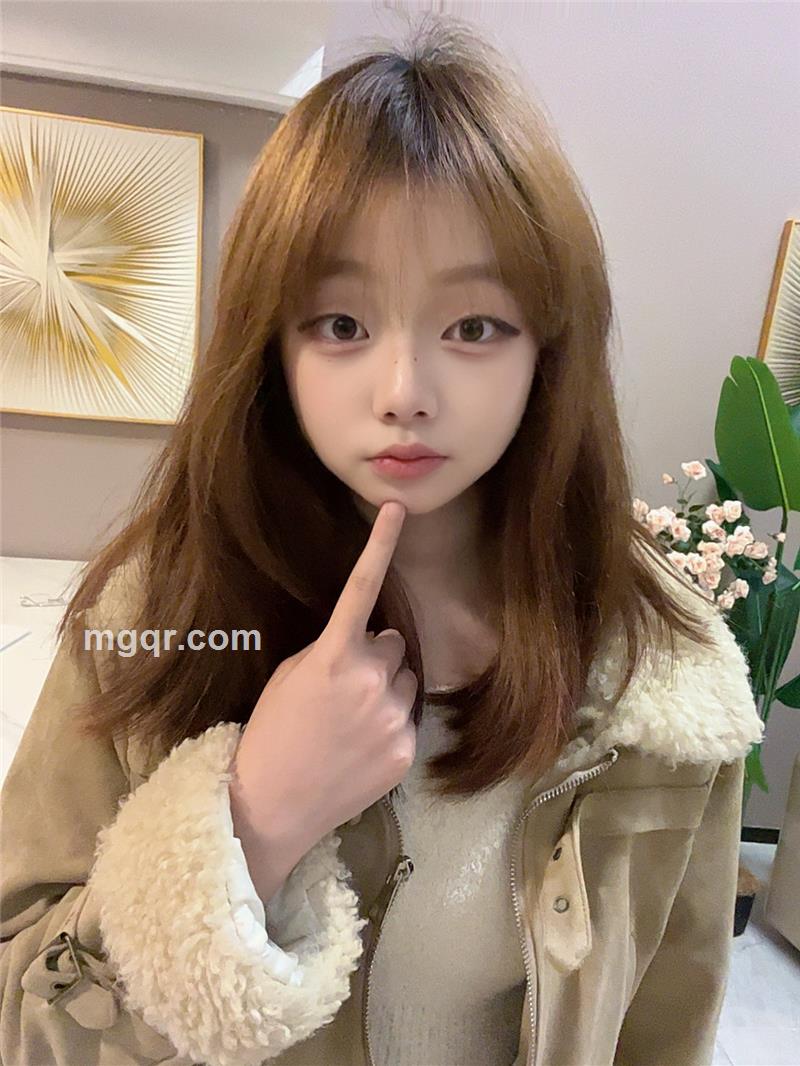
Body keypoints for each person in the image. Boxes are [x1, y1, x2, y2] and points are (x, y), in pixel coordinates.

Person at [0, 12, 764, 1066]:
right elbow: (22, 1020)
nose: (403, 391)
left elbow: (664, 1028)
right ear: (271, 347)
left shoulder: (665, 669)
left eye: (473, 326)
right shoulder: (154, 614)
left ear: (547, 350)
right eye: (342, 325)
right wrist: (250, 823)